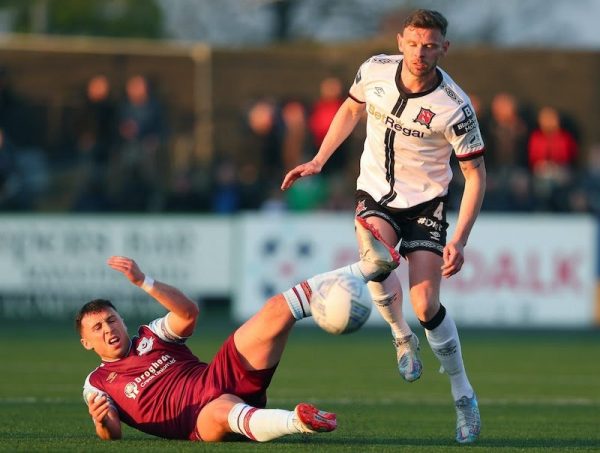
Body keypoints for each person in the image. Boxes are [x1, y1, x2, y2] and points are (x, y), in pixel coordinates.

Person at [281, 9, 485, 444]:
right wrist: (318, 160)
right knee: (374, 261)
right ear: (400, 41)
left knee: (427, 304)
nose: (420, 52)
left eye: (430, 45)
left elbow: (476, 176)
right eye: (413, 43)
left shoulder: (455, 107)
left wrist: (461, 239)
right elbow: (350, 110)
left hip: (426, 204)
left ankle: (462, 393)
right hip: (374, 194)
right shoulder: (373, 70)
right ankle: (399, 335)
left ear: (443, 48)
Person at [77, 220, 397, 442]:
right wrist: (102, 419)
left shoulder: (152, 336)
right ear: (86, 342)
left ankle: (368, 267)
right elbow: (112, 434)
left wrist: (144, 281)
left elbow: (188, 313)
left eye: (111, 320)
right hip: (196, 418)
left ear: (122, 320)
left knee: (276, 308)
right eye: (97, 327)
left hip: (219, 376)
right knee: (220, 411)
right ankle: (298, 422)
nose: (108, 329)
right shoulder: (97, 383)